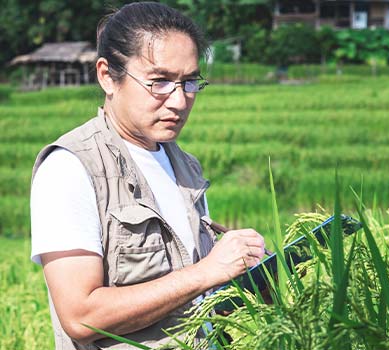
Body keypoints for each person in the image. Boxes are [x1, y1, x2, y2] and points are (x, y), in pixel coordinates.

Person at [29, 2, 266, 349]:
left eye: (188, 82)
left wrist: (244, 278)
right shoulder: (71, 168)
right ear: (107, 76)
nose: (179, 101)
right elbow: (80, 316)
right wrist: (205, 273)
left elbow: (191, 298)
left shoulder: (186, 166)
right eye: (159, 82)